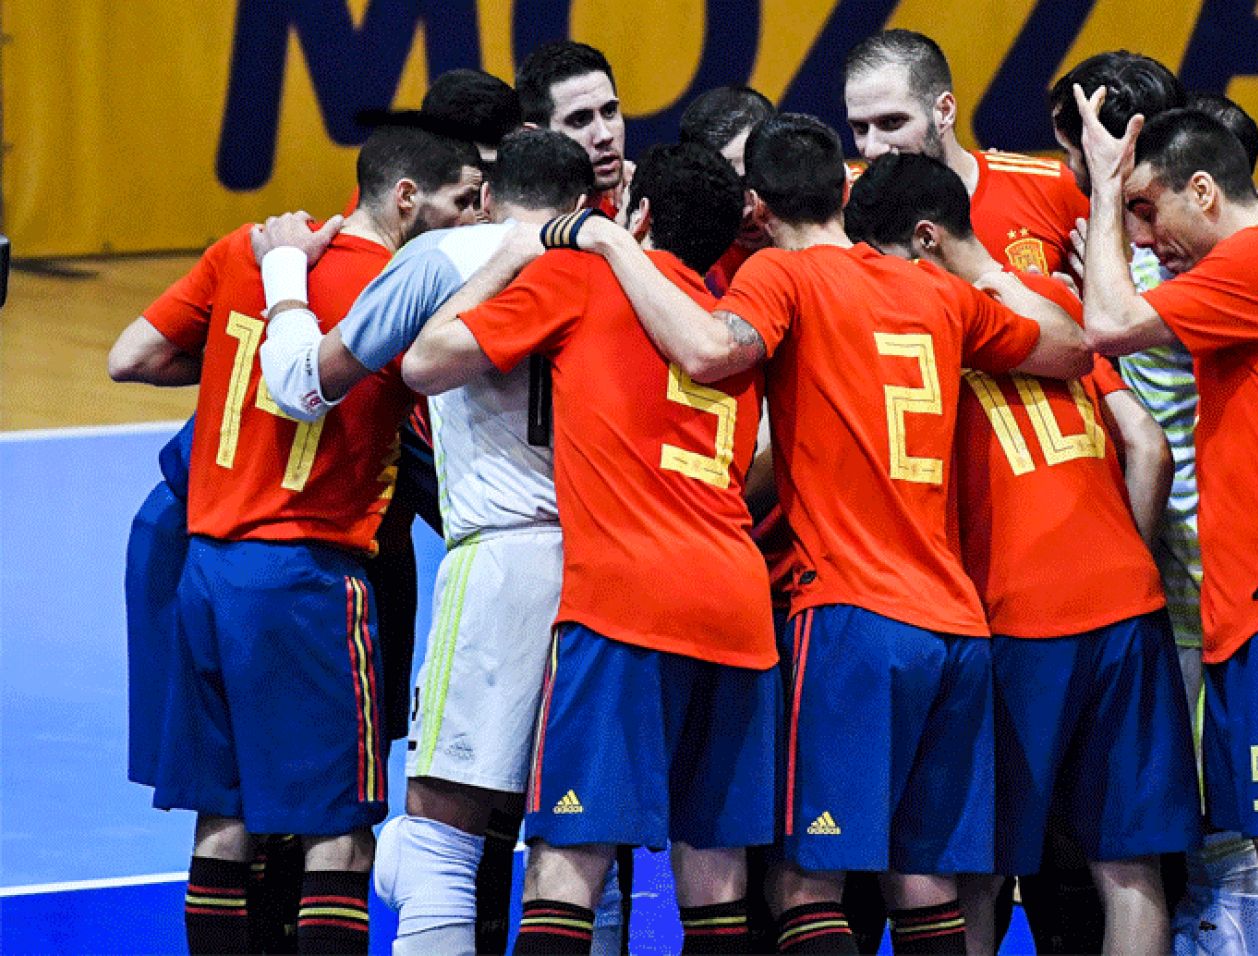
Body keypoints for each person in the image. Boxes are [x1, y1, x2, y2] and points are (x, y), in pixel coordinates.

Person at [560, 111, 1091, 954]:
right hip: (954, 629)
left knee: (806, 882)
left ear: (759, 209)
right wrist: (984, 268)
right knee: (924, 884)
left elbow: (706, 352)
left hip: (850, 616)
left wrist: (614, 244)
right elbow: (1072, 349)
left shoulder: (782, 277)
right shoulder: (939, 293)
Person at [106, 123, 481, 954]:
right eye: (462, 202)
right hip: (306, 579)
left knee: (225, 816)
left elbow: (128, 357)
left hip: (204, 571)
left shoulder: (249, 249)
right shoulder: (399, 291)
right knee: (338, 832)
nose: (471, 220)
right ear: (408, 197)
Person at [1050, 50, 1258, 956]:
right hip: (1247, 604)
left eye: (1151, 213)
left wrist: (1106, 186)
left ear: (1203, 191)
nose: (1149, 237)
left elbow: (1109, 324)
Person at [402, 141, 775, 956]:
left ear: (636, 214)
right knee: (716, 881)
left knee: (567, 865)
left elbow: (425, 363)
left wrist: (510, 254)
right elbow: (756, 468)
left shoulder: (584, 276)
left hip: (625, 605)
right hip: (740, 608)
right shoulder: (730, 328)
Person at [254, 128, 598, 956]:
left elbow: (303, 386)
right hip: (606, 565)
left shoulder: (445, 257)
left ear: (486, 196)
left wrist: (285, 275)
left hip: (498, 561)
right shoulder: (619, 261)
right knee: (578, 846)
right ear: (584, 203)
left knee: (437, 840)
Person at [847, 151, 1201, 954]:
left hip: (1015, 618)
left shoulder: (922, 324)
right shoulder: (1051, 298)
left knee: (975, 871)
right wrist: (1124, 563)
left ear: (925, 240)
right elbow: (1148, 445)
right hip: (1127, 604)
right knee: (1130, 868)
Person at [842, 29, 1088, 275]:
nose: (872, 148)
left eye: (892, 122)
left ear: (944, 111)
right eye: (860, 128)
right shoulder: (836, 206)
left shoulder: (1053, 188)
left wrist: (1058, 307)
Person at [679, 84, 777, 296]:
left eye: (750, 179)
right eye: (722, 188)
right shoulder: (685, 269)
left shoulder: (847, 219)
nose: (745, 210)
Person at [517, 41, 628, 214]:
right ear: (535, 138)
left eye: (609, 111)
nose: (604, 135)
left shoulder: (639, 207)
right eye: (580, 120)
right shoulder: (516, 232)